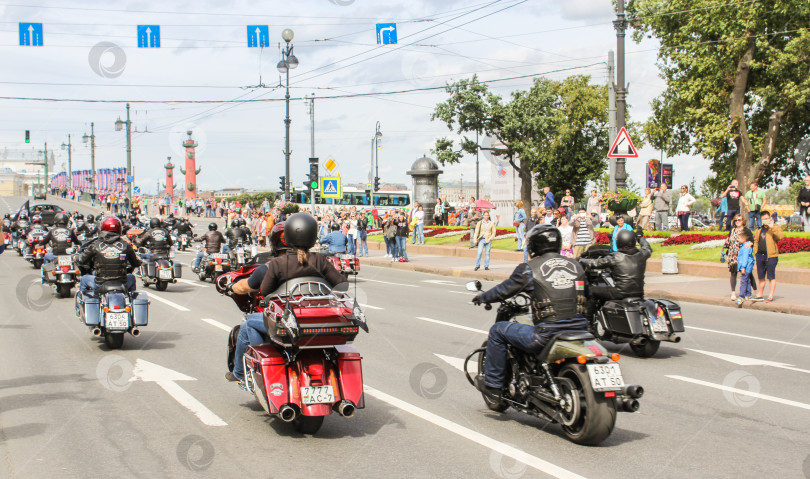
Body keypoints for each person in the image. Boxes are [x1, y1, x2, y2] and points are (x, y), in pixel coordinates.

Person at [225, 214, 348, 383]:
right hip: (317, 321)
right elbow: (342, 285)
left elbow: (265, 291)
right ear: (313, 236)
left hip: (287, 322)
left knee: (249, 324)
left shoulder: (276, 264)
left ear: (288, 236)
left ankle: (243, 372)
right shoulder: (320, 260)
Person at [471, 225, 588, 398]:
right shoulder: (576, 265)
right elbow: (589, 295)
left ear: (533, 246)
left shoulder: (529, 268)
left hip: (546, 334)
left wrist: (483, 297)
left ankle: (494, 385)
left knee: (497, 331)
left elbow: (504, 290)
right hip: (581, 330)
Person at [579, 226, 652, 300]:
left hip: (620, 293)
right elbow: (647, 247)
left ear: (619, 242)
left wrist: (580, 260)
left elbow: (594, 263)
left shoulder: (616, 257)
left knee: (589, 289)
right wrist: (640, 237)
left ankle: (589, 310)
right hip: (639, 293)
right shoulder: (642, 254)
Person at [76, 216, 140, 297]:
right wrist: (138, 260)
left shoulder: (95, 245)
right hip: (121, 282)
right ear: (119, 228)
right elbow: (136, 263)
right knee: (131, 277)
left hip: (100, 283)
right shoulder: (126, 245)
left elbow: (82, 260)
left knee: (84, 279)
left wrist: (76, 257)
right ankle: (130, 298)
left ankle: (82, 307)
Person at [752, 211, 783, 303]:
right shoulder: (759, 229)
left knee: (771, 276)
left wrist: (772, 227)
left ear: (770, 218)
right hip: (760, 255)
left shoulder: (775, 227)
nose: (765, 220)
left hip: (771, 256)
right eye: (763, 219)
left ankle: (771, 295)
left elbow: (780, 237)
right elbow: (756, 241)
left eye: (767, 218)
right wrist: (755, 251)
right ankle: (760, 295)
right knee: (760, 276)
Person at [725, 214, 756, 301]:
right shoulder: (732, 230)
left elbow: (752, 241)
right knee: (733, 273)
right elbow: (729, 242)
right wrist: (727, 254)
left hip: (743, 254)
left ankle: (756, 292)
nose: (737, 222)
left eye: (739, 220)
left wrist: (750, 243)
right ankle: (733, 293)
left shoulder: (746, 231)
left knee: (748, 274)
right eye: (736, 220)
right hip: (733, 254)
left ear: (743, 221)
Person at [735, 230, 755, 306]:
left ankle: (741, 296)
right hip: (748, 267)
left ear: (744, 239)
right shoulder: (745, 246)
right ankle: (748, 294)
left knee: (743, 281)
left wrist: (743, 267)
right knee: (748, 280)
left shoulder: (745, 247)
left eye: (739, 238)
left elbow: (745, 258)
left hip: (745, 267)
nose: (738, 240)